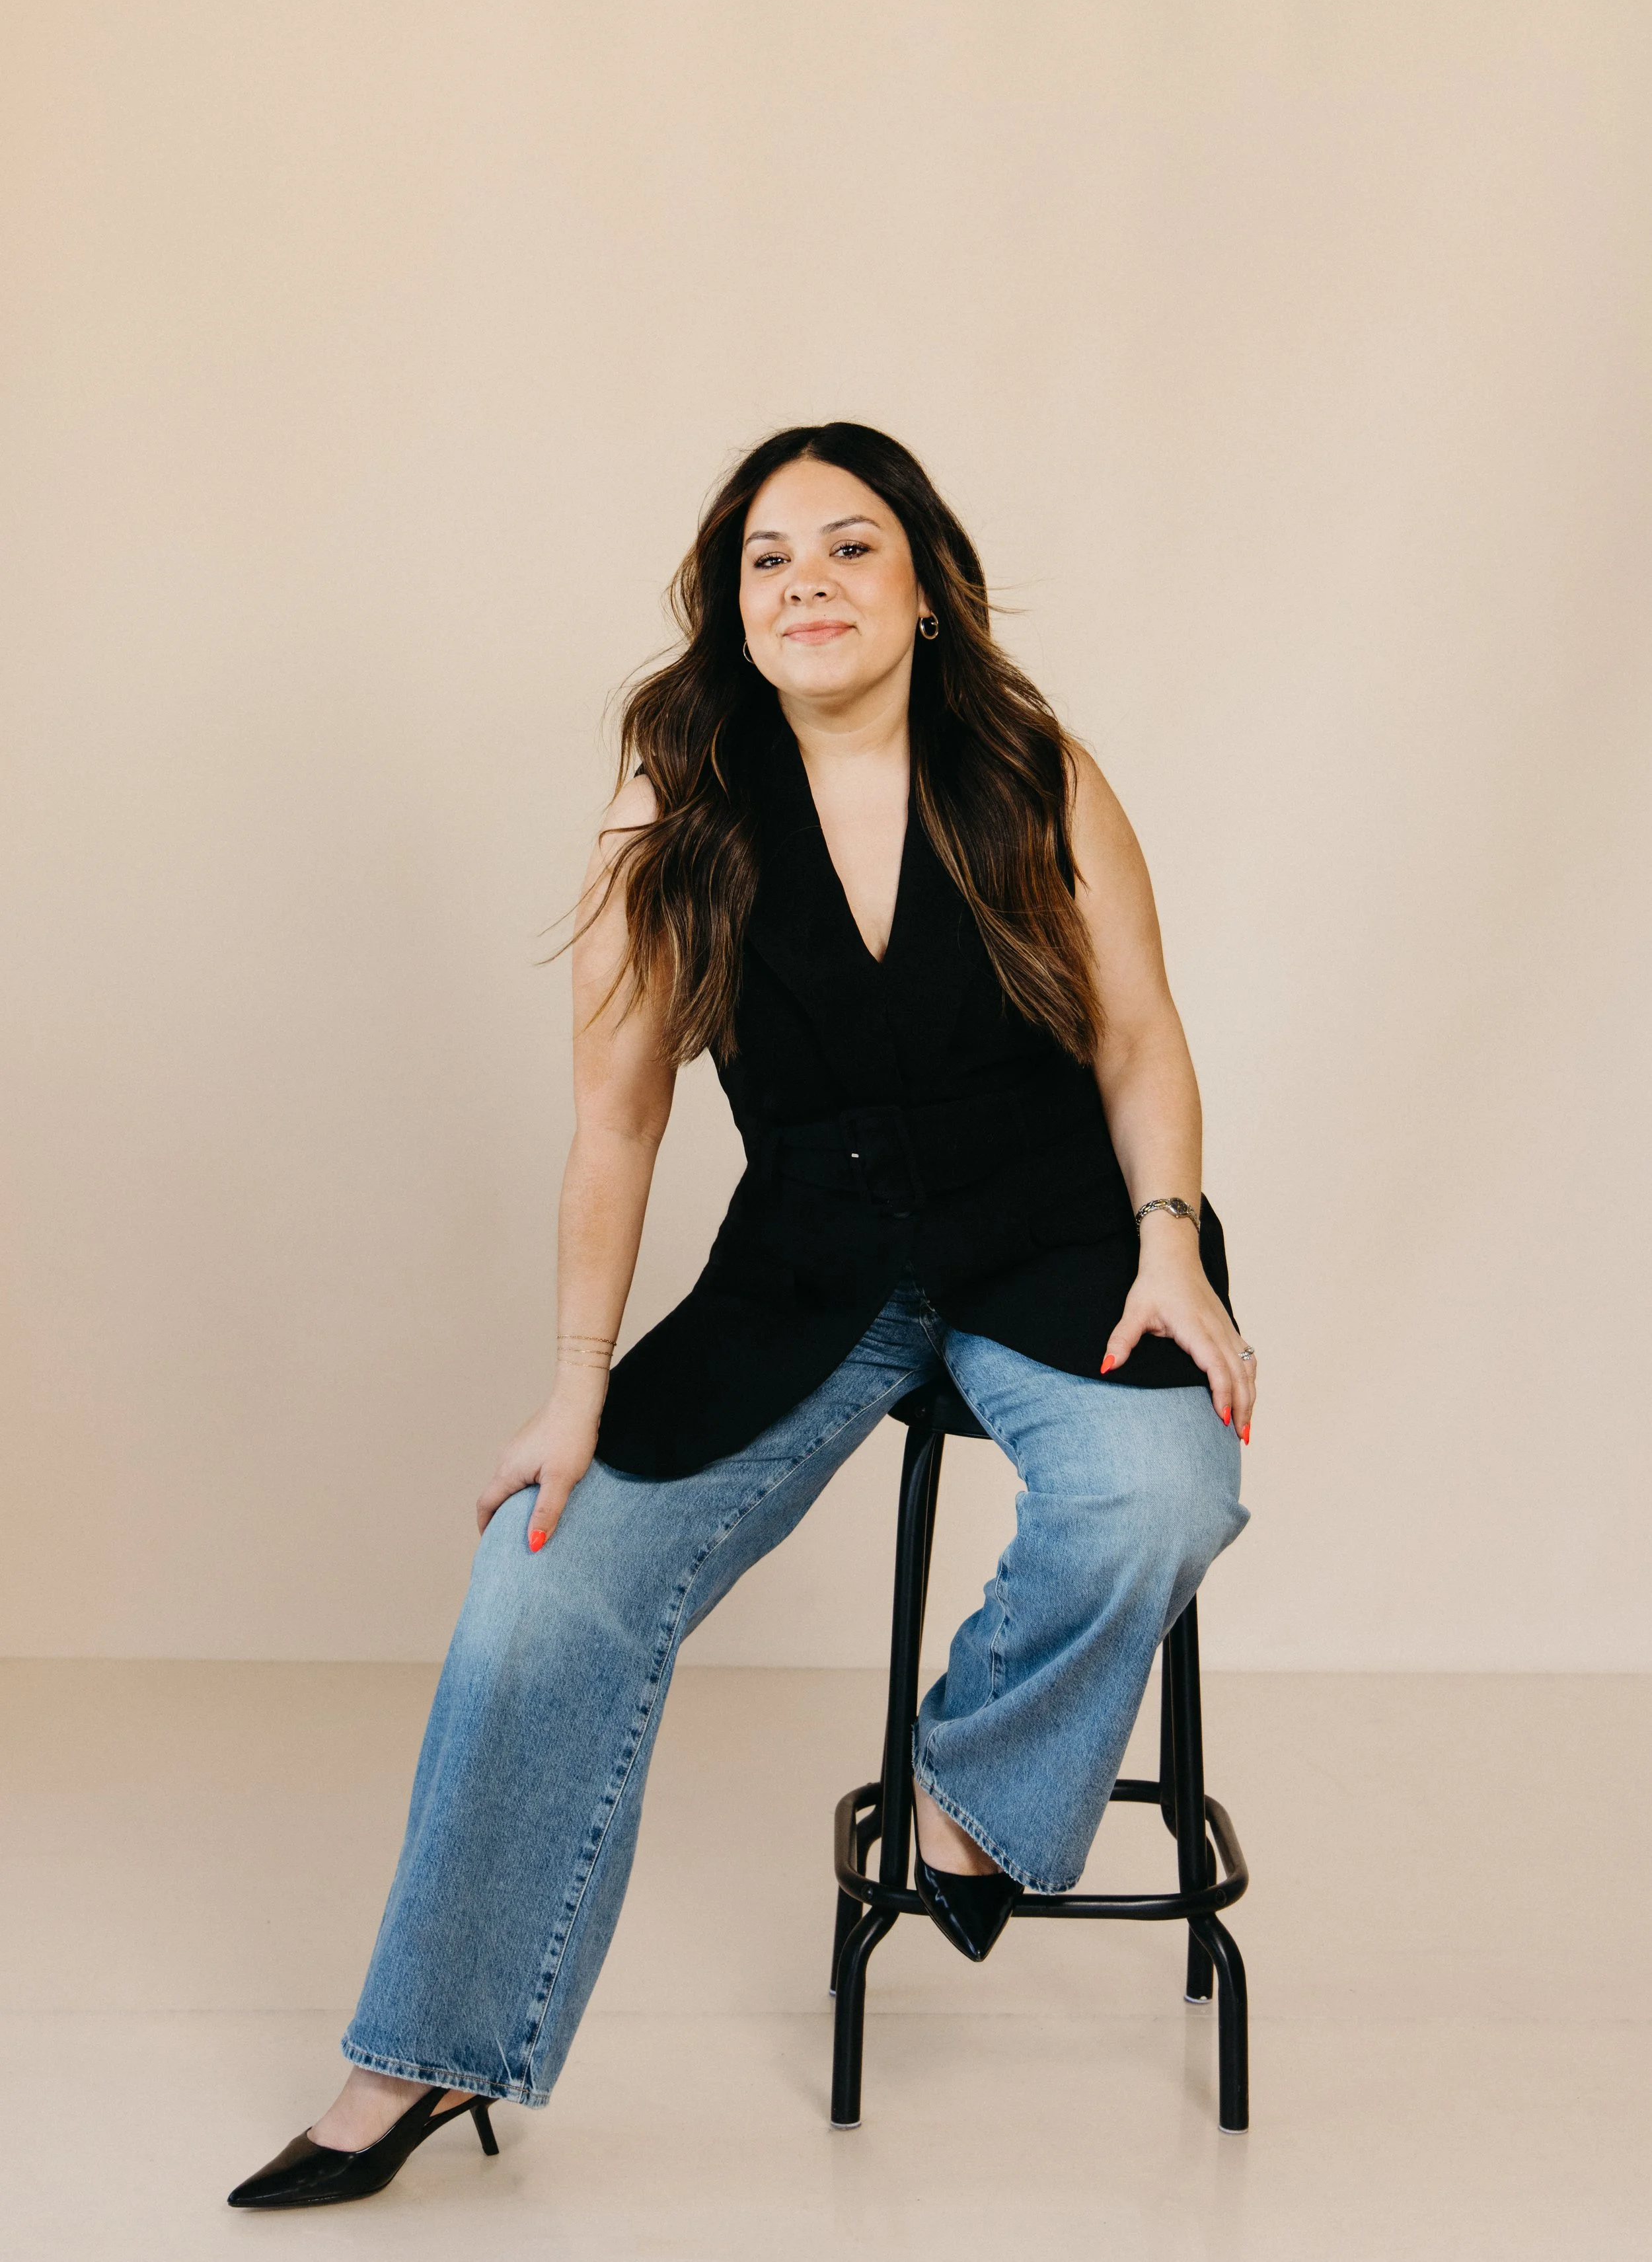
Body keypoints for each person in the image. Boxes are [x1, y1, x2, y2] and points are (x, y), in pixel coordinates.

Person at [228, 423, 1255, 2208]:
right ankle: (419, 2051)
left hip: (1058, 1244)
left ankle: (970, 1808)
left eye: (852, 549)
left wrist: (1166, 1241)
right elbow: (617, 1114)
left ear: (925, 588)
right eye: (769, 559)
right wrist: (572, 1392)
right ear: (730, 608)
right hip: (810, 1270)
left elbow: (1138, 1036)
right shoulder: (675, 804)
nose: (809, 584)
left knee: (1164, 1492)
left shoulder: (1031, 768)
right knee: (545, 1576)